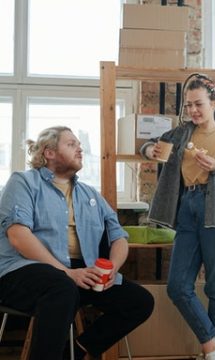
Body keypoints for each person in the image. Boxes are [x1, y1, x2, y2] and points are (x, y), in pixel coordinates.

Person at [0, 126, 154, 360]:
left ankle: (77, 350)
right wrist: (66, 273)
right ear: (49, 152)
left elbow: (118, 236)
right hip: (22, 272)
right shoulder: (23, 182)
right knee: (62, 288)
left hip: (78, 275)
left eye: (79, 145)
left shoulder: (89, 193)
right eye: (71, 144)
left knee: (139, 301)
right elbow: (18, 236)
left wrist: (113, 267)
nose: (80, 148)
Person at [140, 73, 215, 360]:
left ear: (214, 102)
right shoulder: (181, 133)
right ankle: (213, 348)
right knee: (178, 287)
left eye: (198, 104)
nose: (192, 110)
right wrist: (148, 149)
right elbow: (150, 144)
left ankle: (212, 353)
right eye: (188, 105)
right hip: (187, 210)